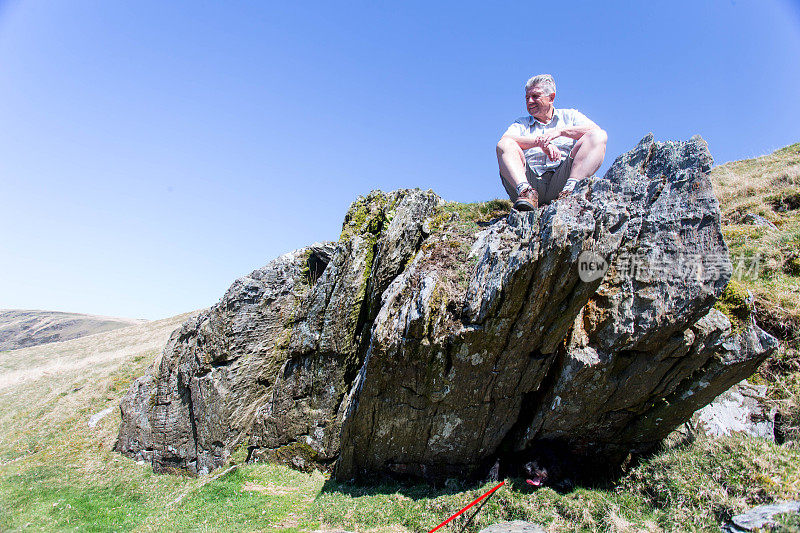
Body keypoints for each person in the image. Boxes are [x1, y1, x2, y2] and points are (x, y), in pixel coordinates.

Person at [496, 74, 608, 211]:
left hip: (561, 180)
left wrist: (561, 132)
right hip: (530, 181)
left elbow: (595, 131)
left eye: (535, 96)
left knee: (598, 136)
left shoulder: (570, 116)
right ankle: (526, 193)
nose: (530, 101)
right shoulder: (521, 123)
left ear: (551, 97)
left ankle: (570, 192)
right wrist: (541, 143)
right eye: (527, 98)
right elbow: (505, 140)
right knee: (505, 145)